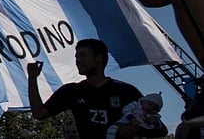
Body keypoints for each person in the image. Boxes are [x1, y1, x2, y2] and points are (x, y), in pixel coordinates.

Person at [27, 38, 167, 138]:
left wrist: (132, 129)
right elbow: (39, 113)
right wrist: (33, 78)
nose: (77, 60)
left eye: (83, 55)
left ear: (98, 58)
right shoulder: (71, 91)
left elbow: (160, 131)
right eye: (76, 56)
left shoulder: (126, 91)